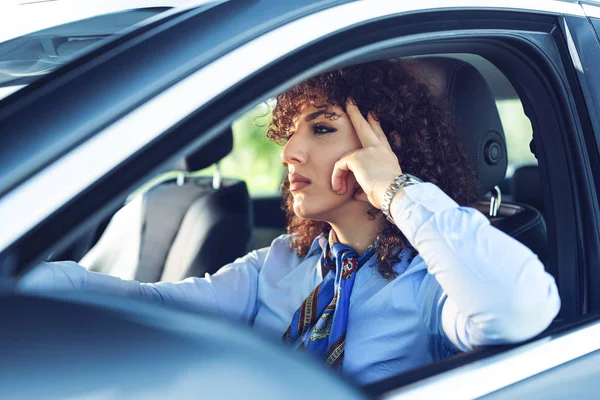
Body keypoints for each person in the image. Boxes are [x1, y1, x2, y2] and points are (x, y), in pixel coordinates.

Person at [20, 60, 560, 384]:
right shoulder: (282, 263)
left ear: (385, 145)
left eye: (321, 129)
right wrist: (21, 285)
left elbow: (518, 309)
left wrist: (396, 189)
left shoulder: (432, 285)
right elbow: (146, 304)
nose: (289, 154)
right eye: (291, 133)